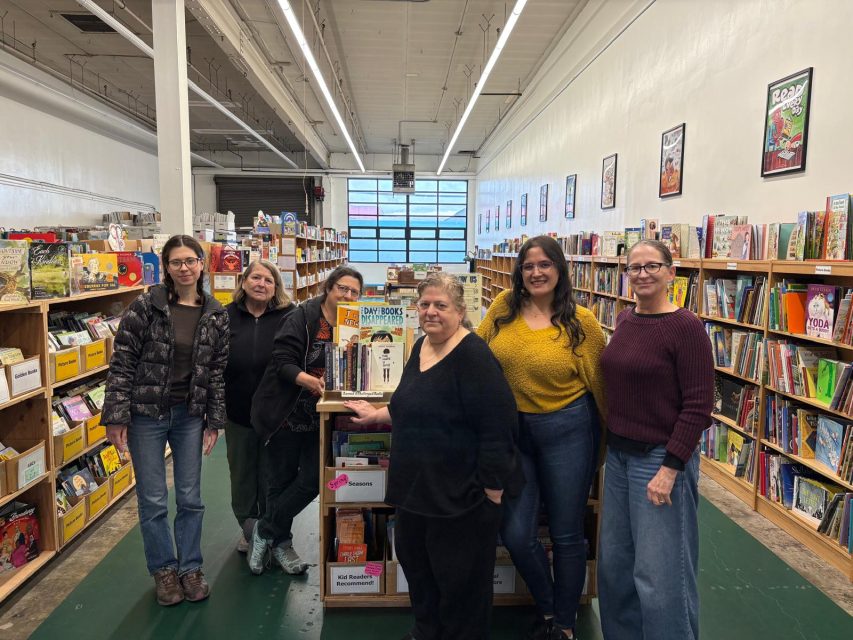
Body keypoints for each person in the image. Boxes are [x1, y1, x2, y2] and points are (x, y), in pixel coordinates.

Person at [345, 272, 523, 640]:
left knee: (461, 585)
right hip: (414, 489)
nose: (431, 312)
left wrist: (492, 492)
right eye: (424, 304)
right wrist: (376, 414)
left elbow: (498, 425)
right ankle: (427, 631)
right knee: (418, 568)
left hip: (459, 497)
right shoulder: (420, 346)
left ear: (459, 311)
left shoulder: (474, 355)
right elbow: (409, 402)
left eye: (441, 305)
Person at [477, 235, 606, 640]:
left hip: (567, 429)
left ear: (559, 270)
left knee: (568, 533)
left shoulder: (580, 321)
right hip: (514, 434)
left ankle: (563, 625)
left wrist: (606, 447)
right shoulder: (502, 308)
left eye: (545, 264)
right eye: (529, 265)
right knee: (516, 533)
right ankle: (551, 606)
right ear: (519, 271)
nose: (536, 272)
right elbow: (474, 353)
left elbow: (600, 385)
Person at [102, 234, 228, 606]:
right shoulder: (146, 306)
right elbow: (122, 360)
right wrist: (116, 415)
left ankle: (190, 568)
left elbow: (217, 372)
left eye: (191, 260)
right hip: (145, 415)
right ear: (166, 267)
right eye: (176, 262)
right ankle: (164, 570)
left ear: (202, 264)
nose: (184, 268)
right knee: (154, 498)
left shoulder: (215, 313)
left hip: (189, 415)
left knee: (191, 497)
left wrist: (214, 420)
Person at [598, 240, 713, 640]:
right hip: (618, 458)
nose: (643, 273)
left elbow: (699, 405)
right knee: (614, 567)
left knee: (661, 575)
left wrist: (671, 468)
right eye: (635, 267)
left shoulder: (687, 328)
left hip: (660, 461)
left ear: (671, 272)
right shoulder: (627, 319)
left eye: (652, 266)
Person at [248, 266, 363, 575]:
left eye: (354, 291)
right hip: (285, 413)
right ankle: (281, 543)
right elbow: (282, 362)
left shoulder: (353, 321)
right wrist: (310, 382)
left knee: (313, 479)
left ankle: (265, 529)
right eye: (343, 288)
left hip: (320, 417)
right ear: (329, 287)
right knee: (280, 480)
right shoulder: (302, 316)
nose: (347, 295)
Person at [224, 260, 295, 553]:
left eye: (269, 280)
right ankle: (248, 527)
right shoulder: (224, 315)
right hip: (237, 412)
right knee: (242, 474)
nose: (261, 284)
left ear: (276, 287)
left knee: (273, 474)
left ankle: (271, 530)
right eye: (256, 277)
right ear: (244, 281)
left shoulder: (289, 316)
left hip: (276, 415)